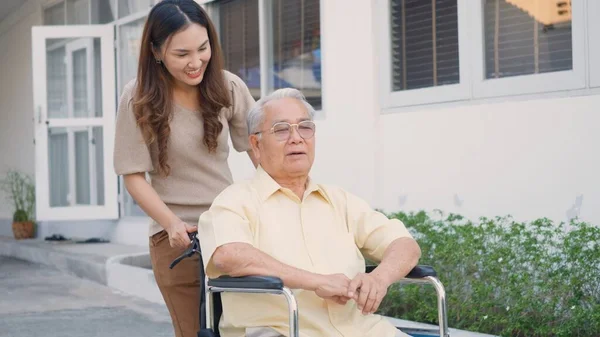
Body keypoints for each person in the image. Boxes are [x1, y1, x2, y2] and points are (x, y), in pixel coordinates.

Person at [197, 88, 422, 337]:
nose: (296, 138)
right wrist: (316, 281)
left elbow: (405, 245)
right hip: (283, 331)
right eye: (281, 129)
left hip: (361, 329)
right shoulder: (235, 201)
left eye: (305, 127)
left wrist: (379, 279)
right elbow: (229, 255)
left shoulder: (340, 200)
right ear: (256, 145)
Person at [113, 1, 257, 336]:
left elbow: (260, 151)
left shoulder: (228, 86)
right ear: (157, 51)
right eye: (182, 54)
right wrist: (171, 223)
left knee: (243, 328)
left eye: (203, 48)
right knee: (195, 331)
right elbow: (133, 175)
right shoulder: (137, 98)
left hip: (229, 229)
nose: (196, 62)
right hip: (177, 238)